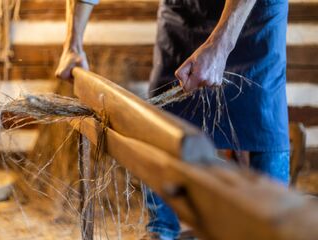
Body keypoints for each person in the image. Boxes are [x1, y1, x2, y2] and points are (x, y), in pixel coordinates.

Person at [56, 0, 290, 239]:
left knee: (264, 119)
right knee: (159, 122)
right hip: (183, 13)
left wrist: (220, 46)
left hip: (254, 15)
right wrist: (72, 45)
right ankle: (161, 229)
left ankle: (274, 229)